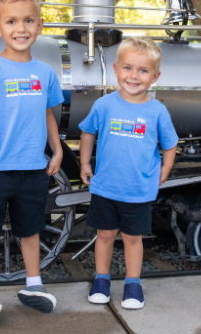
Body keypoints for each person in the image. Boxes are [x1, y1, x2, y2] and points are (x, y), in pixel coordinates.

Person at [0, 0, 65, 325]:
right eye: (11, 21)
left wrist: (58, 149)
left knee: (31, 229)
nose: (20, 28)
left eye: (28, 21)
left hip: (34, 169)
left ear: (39, 26)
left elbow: (49, 116)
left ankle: (34, 286)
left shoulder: (46, 73)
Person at [77, 37, 178, 311]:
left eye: (143, 71)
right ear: (116, 69)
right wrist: (85, 164)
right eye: (128, 68)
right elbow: (88, 133)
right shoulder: (104, 105)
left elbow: (170, 145)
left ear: (155, 76)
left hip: (138, 190)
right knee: (105, 235)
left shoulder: (158, 111)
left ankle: (133, 284)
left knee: (133, 238)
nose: (134, 76)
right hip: (106, 188)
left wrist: (165, 169)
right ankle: (101, 280)